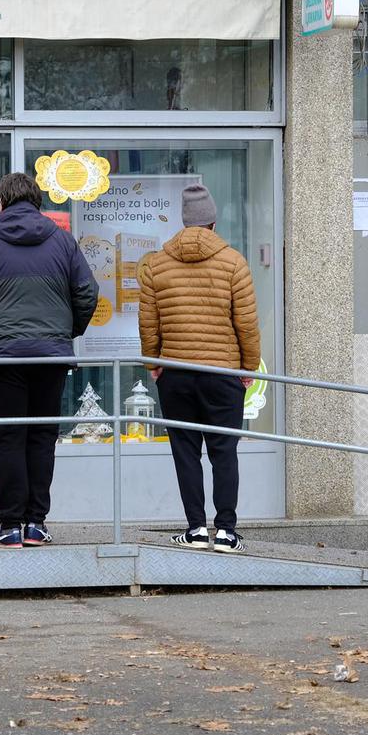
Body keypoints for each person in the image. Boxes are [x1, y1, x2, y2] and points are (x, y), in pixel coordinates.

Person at [0, 174, 98, 548]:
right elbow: (87, 292)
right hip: (50, 355)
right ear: (36, 201)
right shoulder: (63, 241)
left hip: (0, 357)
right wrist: (65, 333)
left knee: (7, 438)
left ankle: (10, 524)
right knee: (43, 437)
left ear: (1, 202)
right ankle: (36, 524)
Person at [138, 184, 260, 554]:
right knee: (224, 450)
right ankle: (225, 531)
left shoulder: (156, 263)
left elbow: (149, 322)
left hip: (174, 372)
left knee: (185, 451)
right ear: (213, 222)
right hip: (222, 374)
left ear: (183, 220)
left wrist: (153, 363)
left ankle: (194, 528)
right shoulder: (233, 262)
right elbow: (247, 324)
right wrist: (248, 367)